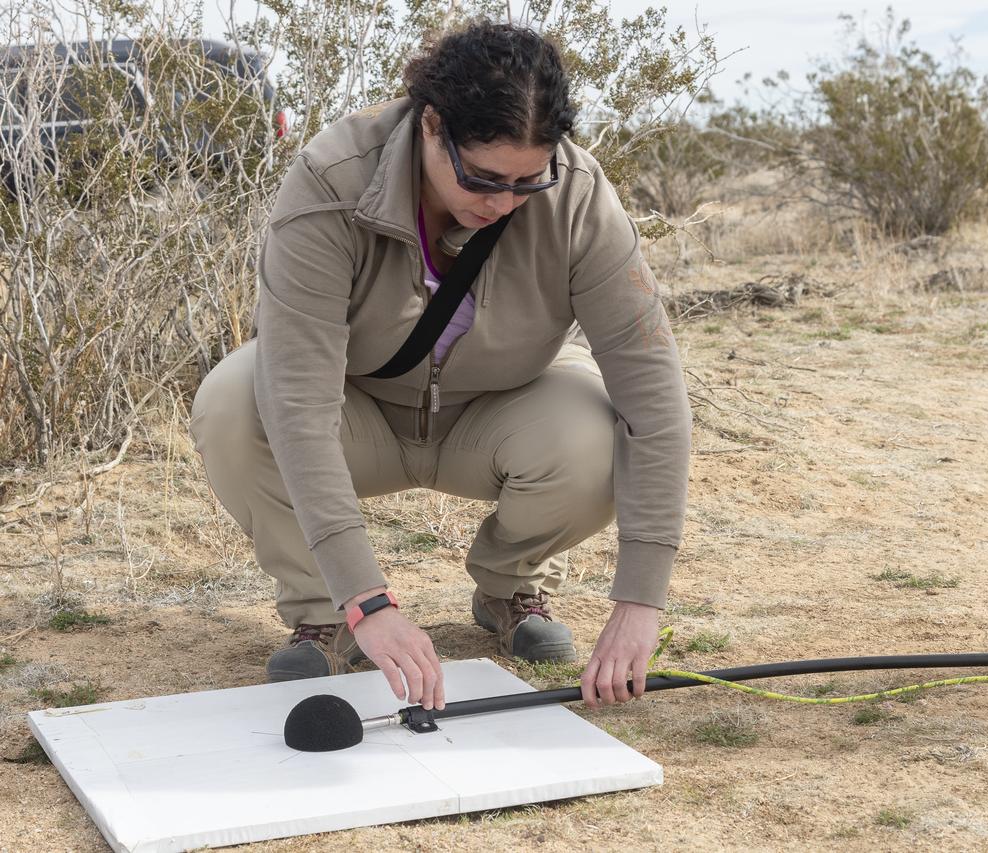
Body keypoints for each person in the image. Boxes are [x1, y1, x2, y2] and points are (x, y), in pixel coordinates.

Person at [189, 22, 691, 713]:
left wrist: (641, 598)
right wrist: (369, 599)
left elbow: (654, 395)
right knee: (235, 400)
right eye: (482, 178)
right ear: (432, 126)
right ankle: (325, 610)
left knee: (600, 428)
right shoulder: (331, 179)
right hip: (356, 410)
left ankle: (509, 585)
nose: (502, 203)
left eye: (527, 181)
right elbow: (299, 402)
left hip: (501, 410)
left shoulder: (577, 195)